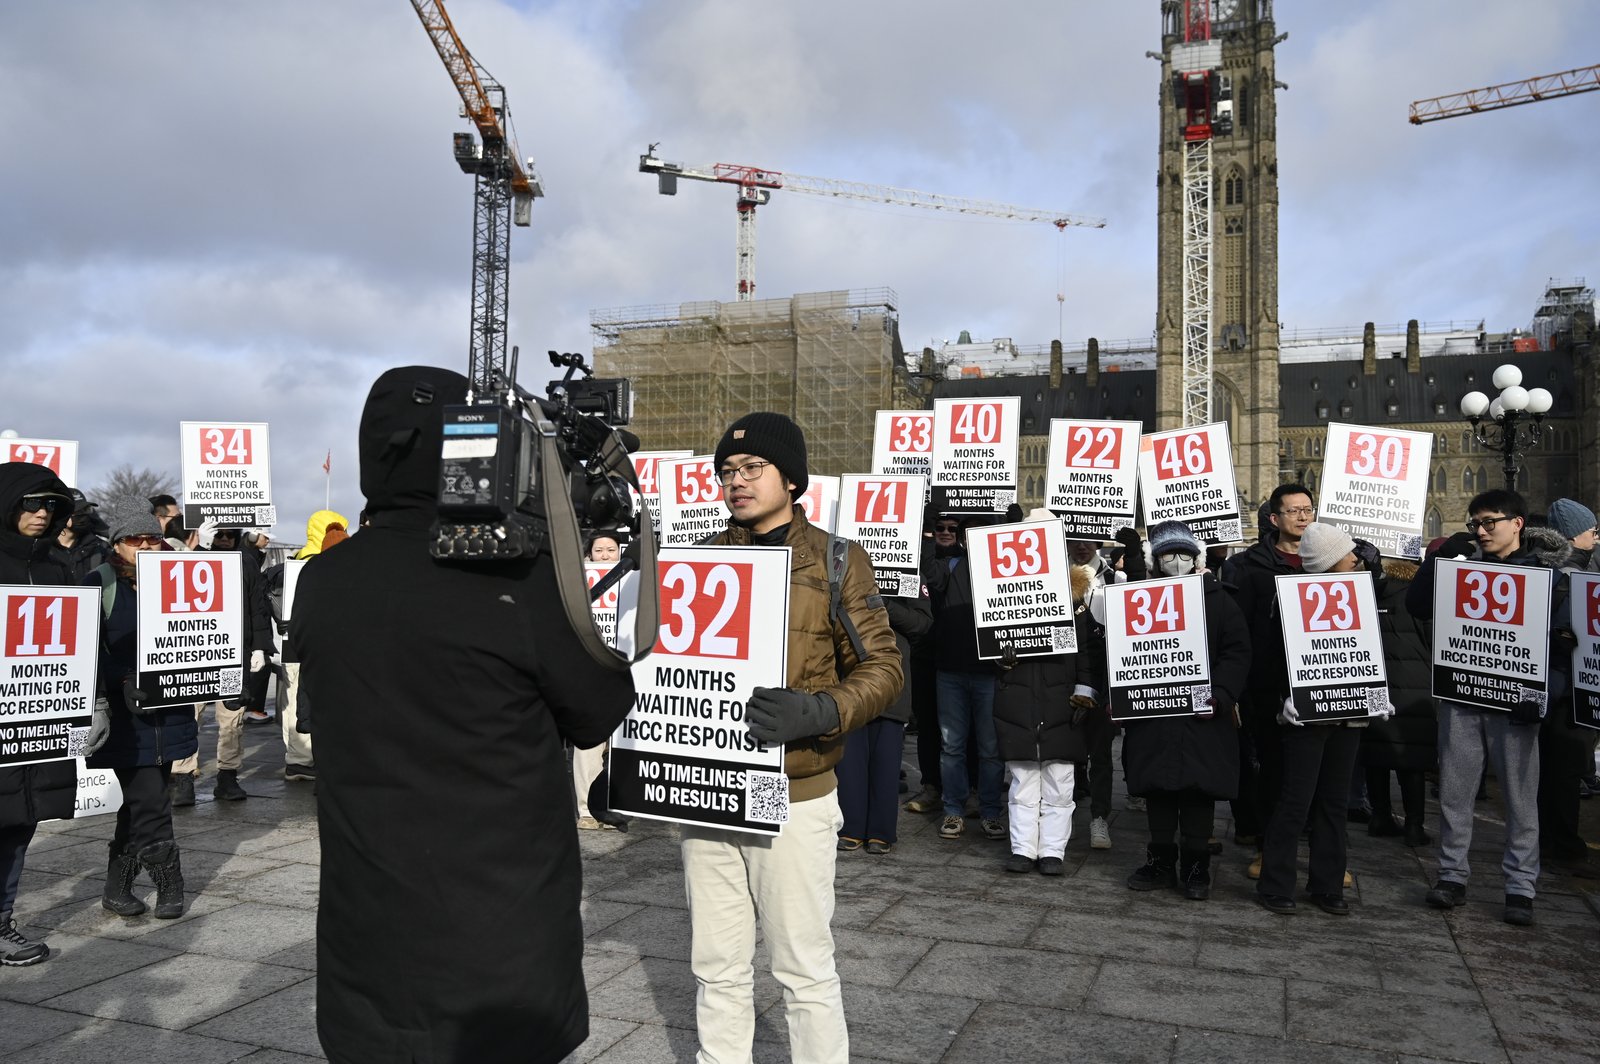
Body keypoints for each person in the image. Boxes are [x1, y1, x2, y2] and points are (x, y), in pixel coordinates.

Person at [293, 367, 636, 1064]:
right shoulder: (516, 575)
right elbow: (598, 712)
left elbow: (315, 717)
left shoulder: (324, 578)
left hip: (370, 935)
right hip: (498, 948)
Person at [685, 411, 901, 1064]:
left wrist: (821, 710)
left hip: (795, 791)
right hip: (706, 790)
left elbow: (885, 668)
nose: (736, 481)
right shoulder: (697, 561)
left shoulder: (837, 560)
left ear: (792, 478)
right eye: (727, 471)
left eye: (752, 468)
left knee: (802, 968)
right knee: (716, 967)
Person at [1406, 489, 1562, 926]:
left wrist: (1542, 696)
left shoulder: (1548, 573)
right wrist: (1438, 562)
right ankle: (1452, 876)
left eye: (1490, 521)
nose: (1481, 530)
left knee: (1519, 797)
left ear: (1517, 524)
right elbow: (1417, 606)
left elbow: (1560, 641)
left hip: (1516, 703)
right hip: (1462, 697)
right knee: (1455, 792)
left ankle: (1520, 887)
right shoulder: (1462, 566)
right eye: (1475, 522)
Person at [1256, 523, 1388, 916]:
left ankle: (1327, 883)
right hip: (1306, 716)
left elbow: (1369, 646)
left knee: (1333, 801)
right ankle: (1275, 882)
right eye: (1349, 554)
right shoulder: (1289, 597)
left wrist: (1379, 693)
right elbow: (1274, 654)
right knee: (1296, 800)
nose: (1357, 559)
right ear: (1332, 561)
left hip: (1349, 716)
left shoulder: (1362, 593)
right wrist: (1283, 698)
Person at [1117, 521, 1251, 900]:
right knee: (1157, 788)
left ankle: (1196, 866)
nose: (1176, 562)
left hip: (1202, 716)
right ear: (1155, 561)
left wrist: (1221, 695)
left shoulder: (1219, 598)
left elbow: (1237, 652)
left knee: (1198, 792)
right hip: (1155, 715)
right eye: (1167, 556)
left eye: (1184, 555)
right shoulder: (1139, 598)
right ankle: (1160, 862)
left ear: (1197, 559)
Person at [87, 496, 200, 921]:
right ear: (117, 544)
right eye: (134, 539)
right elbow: (86, 650)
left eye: (152, 538)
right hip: (125, 717)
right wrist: (122, 677)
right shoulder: (98, 584)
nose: (146, 546)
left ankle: (117, 887)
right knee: (151, 799)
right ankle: (171, 881)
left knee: (140, 801)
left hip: (168, 712)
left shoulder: (184, 578)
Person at [0, 464, 79, 965]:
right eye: (31, 503)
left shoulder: (57, 566)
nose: (42, 514)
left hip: (41, 717)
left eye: (51, 505)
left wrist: (86, 702)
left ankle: (1, 922)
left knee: (19, 821)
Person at [992, 535, 1104, 875]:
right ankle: (1023, 849)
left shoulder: (1076, 601)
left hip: (1061, 700)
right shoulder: (1002, 598)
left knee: (1060, 780)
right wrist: (1002, 660)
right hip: (1020, 700)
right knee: (1022, 782)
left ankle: (1053, 850)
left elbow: (1087, 653)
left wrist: (1085, 692)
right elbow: (988, 648)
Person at [1223, 483, 1315, 869]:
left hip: (1314, 680)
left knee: (1314, 774)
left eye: (1307, 509)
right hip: (1265, 683)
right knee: (1270, 767)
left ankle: (1320, 854)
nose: (1302, 517)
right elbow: (1237, 631)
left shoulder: (1327, 562)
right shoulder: (1249, 566)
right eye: (1293, 511)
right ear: (1275, 519)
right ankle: (1266, 846)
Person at [838, 558, 931, 854]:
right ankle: (850, 826)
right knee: (849, 759)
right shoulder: (840, 567)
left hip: (891, 683)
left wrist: (882, 604)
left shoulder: (910, 575)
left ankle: (881, 832)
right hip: (848, 678)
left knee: (886, 761)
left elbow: (922, 624)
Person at [1526, 499, 1594, 874]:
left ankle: (1549, 839)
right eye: (1592, 530)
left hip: (1556, 689)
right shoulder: (1567, 578)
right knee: (1565, 771)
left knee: (1551, 770)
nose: (1596, 537)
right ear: (1573, 534)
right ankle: (1563, 844)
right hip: (1567, 690)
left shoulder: (1555, 571)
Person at [929, 516, 1005, 840]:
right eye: (964, 533)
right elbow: (930, 578)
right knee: (952, 746)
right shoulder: (949, 564)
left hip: (989, 673)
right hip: (951, 670)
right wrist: (928, 532)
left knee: (990, 748)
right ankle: (954, 811)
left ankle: (989, 811)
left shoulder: (1003, 569)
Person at [1361, 545, 1435, 849]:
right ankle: (1415, 826)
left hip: (1377, 683)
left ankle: (1380, 817)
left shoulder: (1369, 592)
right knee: (1411, 759)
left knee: (1376, 754)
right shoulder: (1418, 595)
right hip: (1416, 685)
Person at [272, 509, 351, 784]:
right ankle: (300, 760)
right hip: (307, 645)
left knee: (296, 702)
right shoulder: (323, 563)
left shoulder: (298, 562)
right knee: (299, 702)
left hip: (293, 642)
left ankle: (300, 758)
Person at [573, 530, 628, 831]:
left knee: (621, 743)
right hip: (591, 671)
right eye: (599, 550)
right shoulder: (578, 582)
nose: (605, 555)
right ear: (589, 554)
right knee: (590, 744)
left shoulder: (634, 578)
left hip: (624, 669)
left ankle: (612, 807)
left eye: (611, 549)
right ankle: (586, 810)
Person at [903, 511, 954, 814]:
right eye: (938, 528)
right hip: (924, 653)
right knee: (928, 726)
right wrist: (925, 538)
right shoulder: (916, 559)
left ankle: (968, 788)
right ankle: (931, 786)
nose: (944, 532)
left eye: (950, 528)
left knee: (962, 730)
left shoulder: (966, 561)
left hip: (960, 657)